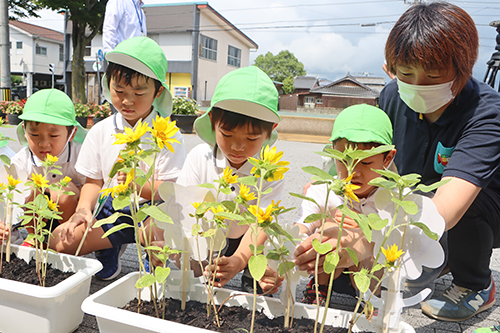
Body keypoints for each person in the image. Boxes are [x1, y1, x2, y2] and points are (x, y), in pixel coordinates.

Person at [379, 2, 500, 322]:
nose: (417, 85)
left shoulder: (485, 112)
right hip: (425, 201)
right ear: (390, 68)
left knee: (462, 204)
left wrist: (374, 243)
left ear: (463, 70)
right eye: (405, 73)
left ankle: (475, 284)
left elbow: (450, 203)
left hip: (482, 205)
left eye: (433, 75)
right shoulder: (391, 96)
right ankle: (444, 256)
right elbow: (372, 162)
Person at [50, 36, 185, 281]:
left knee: (155, 229)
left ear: (158, 92)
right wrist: (82, 210)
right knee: (61, 241)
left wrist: (137, 186)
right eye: (119, 91)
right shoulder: (101, 130)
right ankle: (107, 247)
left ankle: (151, 261)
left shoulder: (167, 133)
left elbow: (171, 191)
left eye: (139, 93)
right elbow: (93, 182)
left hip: (151, 210)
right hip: (112, 209)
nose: (127, 101)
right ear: (107, 84)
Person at [175, 66, 284, 293]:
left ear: (269, 131)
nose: (237, 146)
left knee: (264, 269)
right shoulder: (199, 158)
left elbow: (261, 223)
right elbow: (183, 209)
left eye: (251, 138)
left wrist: (239, 260)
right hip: (206, 233)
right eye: (226, 134)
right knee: (196, 280)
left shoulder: (270, 170)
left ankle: (252, 279)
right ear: (213, 121)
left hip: (247, 236)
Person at [295, 104, 395, 306]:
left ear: (388, 158)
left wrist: (361, 232)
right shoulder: (324, 191)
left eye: (366, 163)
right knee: (330, 227)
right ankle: (318, 289)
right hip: (326, 268)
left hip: (367, 274)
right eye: (344, 162)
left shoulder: (391, 199)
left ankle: (369, 302)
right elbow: (302, 225)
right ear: (333, 154)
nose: (353, 173)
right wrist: (298, 245)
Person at [0, 89, 87, 246]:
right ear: (25, 133)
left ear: (71, 134)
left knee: (63, 189)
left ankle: (62, 239)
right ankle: (35, 239)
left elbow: (92, 187)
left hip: (72, 217)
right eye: (34, 134)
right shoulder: (21, 160)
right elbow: (8, 196)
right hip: (36, 219)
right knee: (28, 188)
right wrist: (7, 222)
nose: (43, 143)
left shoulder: (80, 155)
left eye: (53, 136)